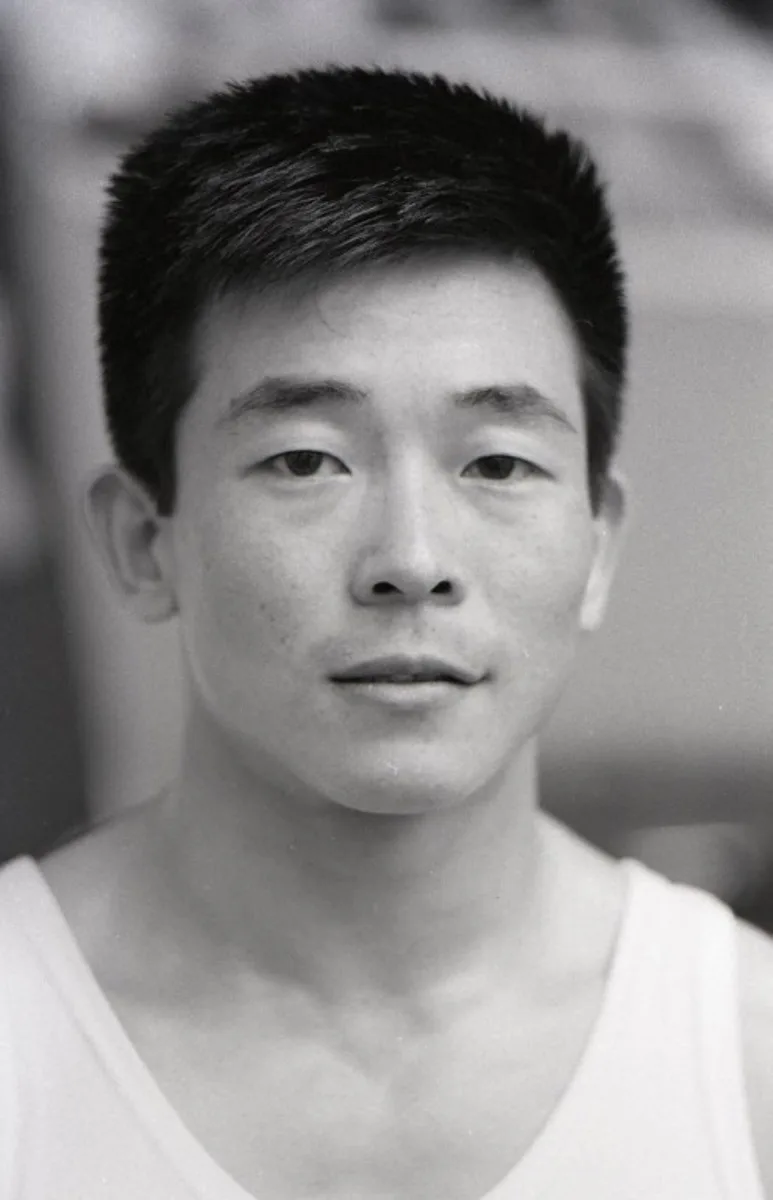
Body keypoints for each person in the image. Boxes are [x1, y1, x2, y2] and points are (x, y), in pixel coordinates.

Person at [0, 64, 771, 1200]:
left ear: (597, 542)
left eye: (496, 465)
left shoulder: (746, 1058)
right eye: (304, 460)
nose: (410, 558)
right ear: (141, 541)